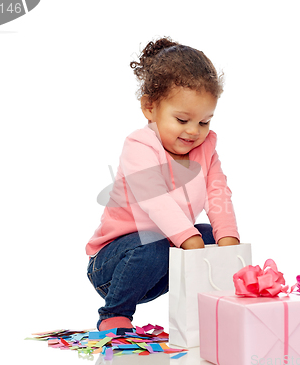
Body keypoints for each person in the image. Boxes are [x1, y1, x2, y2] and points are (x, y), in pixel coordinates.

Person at [85, 37, 240, 332]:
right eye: (182, 120)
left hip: (164, 260)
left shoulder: (206, 150)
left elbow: (218, 193)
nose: (194, 131)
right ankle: (114, 314)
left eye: (204, 122)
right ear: (150, 108)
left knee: (210, 236)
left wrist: (227, 241)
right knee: (154, 243)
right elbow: (155, 199)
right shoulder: (139, 147)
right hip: (114, 264)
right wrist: (189, 240)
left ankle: (207, 316)